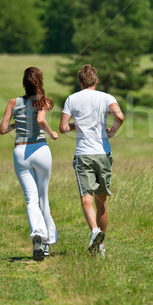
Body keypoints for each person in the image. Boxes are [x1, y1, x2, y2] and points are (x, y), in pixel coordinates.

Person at [59, 64, 124, 257]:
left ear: (80, 82)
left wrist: (76, 125)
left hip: (84, 154)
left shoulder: (72, 99)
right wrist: (112, 131)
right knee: (101, 202)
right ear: (96, 81)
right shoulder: (106, 97)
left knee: (86, 197)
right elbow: (119, 116)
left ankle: (94, 231)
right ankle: (101, 247)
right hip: (103, 153)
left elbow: (62, 128)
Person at [0, 67, 59, 261]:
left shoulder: (12, 102)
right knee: (43, 197)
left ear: (23, 83)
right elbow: (41, 119)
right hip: (41, 150)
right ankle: (47, 243)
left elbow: (2, 129)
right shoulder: (45, 102)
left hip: (21, 151)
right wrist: (51, 133)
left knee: (30, 198)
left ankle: (37, 234)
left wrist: (17, 124)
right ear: (40, 82)